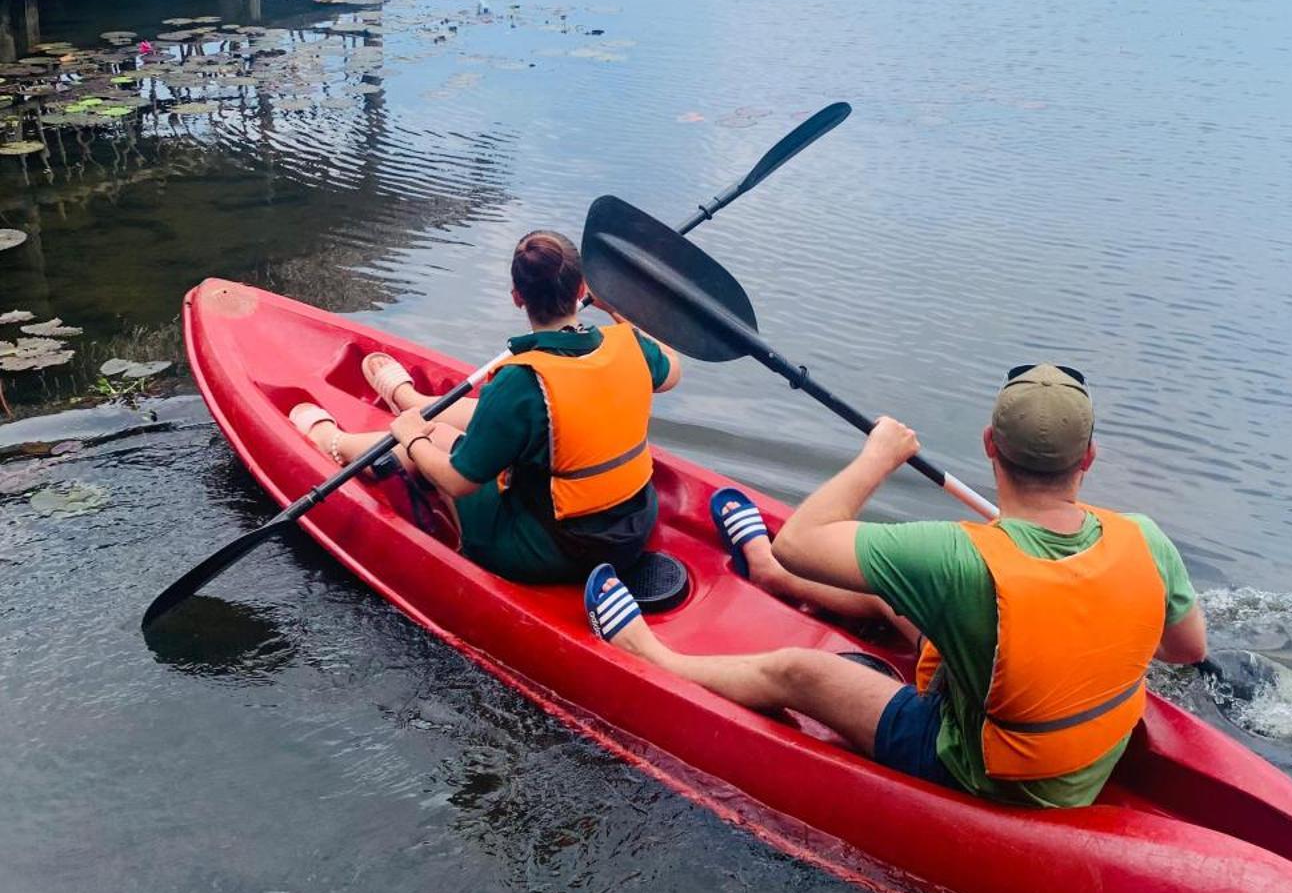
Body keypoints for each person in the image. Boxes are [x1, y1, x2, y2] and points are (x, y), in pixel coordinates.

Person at [586, 363, 1207, 808]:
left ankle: (653, 656)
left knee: (802, 673)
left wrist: (878, 455)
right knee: (900, 588)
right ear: (1089, 459)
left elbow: (802, 538)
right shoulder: (1144, 537)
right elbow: (1185, 649)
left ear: (990, 446)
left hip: (987, 769)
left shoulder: (957, 556)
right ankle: (769, 577)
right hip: (1081, 751)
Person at [289, 230, 680, 583]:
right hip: (634, 526)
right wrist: (619, 310)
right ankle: (415, 402)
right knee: (500, 417)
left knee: (438, 436)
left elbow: (458, 482)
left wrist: (410, 440)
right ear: (581, 288)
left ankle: (335, 443)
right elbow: (671, 371)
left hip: (559, 550)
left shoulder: (521, 380)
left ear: (517, 296)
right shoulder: (629, 343)